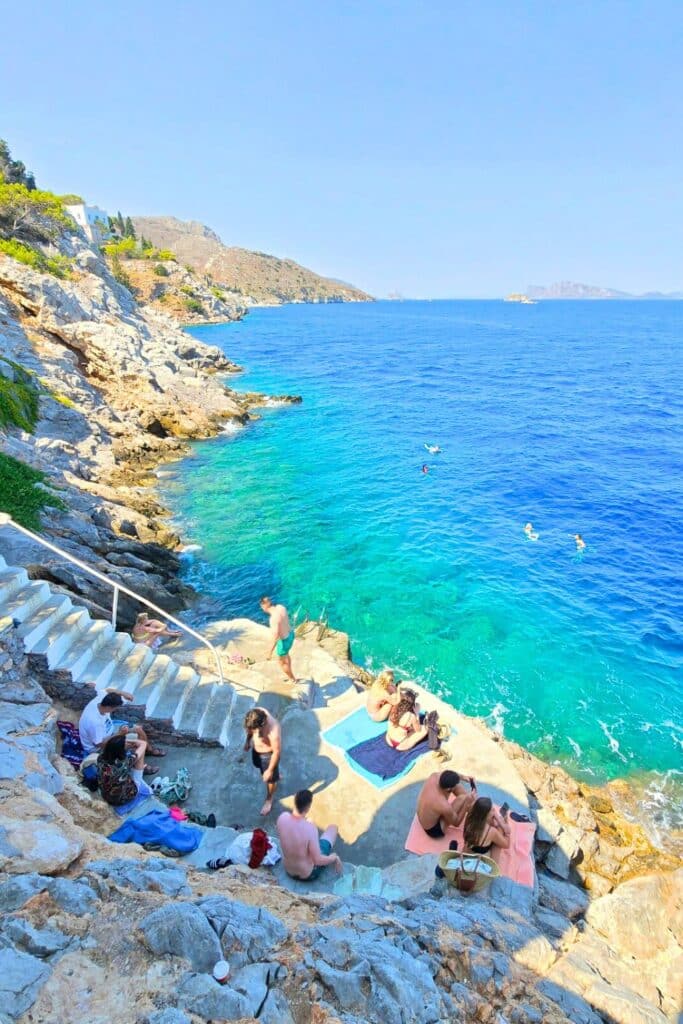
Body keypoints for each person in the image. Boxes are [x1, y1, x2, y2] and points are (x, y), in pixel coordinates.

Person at [78, 689, 164, 763]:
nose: (115, 709)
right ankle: (139, 766)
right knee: (128, 746)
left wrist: (123, 693)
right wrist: (119, 734)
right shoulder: (94, 722)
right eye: (115, 708)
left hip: (111, 731)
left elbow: (108, 690)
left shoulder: (101, 699)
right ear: (108, 707)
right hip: (99, 747)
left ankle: (148, 750)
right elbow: (99, 744)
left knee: (138, 729)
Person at [276, 788, 342, 881]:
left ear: (294, 801)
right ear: (308, 807)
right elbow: (318, 860)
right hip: (307, 874)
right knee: (333, 828)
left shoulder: (282, 818)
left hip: (288, 870)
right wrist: (333, 857)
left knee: (310, 821)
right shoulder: (310, 829)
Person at [243, 706, 282, 815]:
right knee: (257, 765)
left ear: (262, 725)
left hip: (268, 755)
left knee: (270, 780)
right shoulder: (256, 712)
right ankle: (276, 774)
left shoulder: (273, 731)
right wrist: (247, 741)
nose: (251, 732)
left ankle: (269, 799)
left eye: (254, 730)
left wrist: (270, 770)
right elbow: (249, 729)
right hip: (256, 751)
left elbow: (276, 752)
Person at [416, 770, 473, 838]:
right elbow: (456, 823)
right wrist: (466, 803)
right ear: (448, 790)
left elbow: (447, 774)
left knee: (456, 785)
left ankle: (471, 805)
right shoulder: (443, 804)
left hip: (424, 816)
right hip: (433, 830)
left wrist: (463, 777)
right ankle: (470, 804)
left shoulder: (434, 776)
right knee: (462, 798)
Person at [97, 734, 147, 806]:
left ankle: (139, 767)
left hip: (106, 795)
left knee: (133, 760)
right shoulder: (124, 763)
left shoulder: (101, 757)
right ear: (120, 750)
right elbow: (143, 743)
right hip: (122, 798)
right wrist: (131, 741)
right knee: (139, 756)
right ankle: (140, 770)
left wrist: (122, 742)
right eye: (125, 742)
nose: (127, 743)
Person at [260, 596, 296, 683]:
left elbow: (276, 638)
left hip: (284, 642)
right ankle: (291, 674)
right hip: (291, 634)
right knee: (286, 655)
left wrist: (270, 652)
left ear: (264, 606)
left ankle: (292, 679)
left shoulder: (273, 619)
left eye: (261, 606)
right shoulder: (281, 607)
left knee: (282, 662)